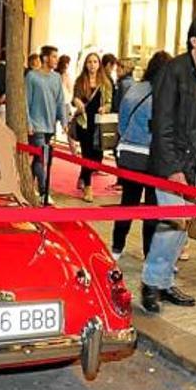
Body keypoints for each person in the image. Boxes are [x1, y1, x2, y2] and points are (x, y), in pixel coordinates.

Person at [141, 12, 196, 314]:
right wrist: (174, 169)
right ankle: (151, 283)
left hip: (195, 164)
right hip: (172, 166)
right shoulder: (173, 71)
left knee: (182, 228)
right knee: (172, 226)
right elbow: (162, 125)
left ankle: (163, 280)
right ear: (194, 41)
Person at [111, 51, 171, 260]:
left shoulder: (134, 89)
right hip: (152, 157)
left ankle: (116, 249)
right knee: (152, 208)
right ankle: (149, 253)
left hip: (129, 154)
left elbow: (122, 123)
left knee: (127, 203)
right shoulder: (164, 94)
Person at [26, 45, 68, 198]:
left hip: (50, 125)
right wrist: (28, 123)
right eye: (54, 56)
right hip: (36, 125)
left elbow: (60, 100)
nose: (56, 60)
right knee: (41, 158)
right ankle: (44, 191)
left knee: (40, 158)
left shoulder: (56, 78)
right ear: (45, 58)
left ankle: (28, 187)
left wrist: (63, 121)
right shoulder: (32, 76)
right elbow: (26, 101)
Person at [72, 52, 113, 202]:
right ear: (85, 64)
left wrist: (105, 108)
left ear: (99, 64)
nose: (92, 65)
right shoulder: (80, 80)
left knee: (95, 158)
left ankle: (83, 176)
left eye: (95, 62)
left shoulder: (105, 82)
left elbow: (109, 102)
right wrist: (77, 102)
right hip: (84, 122)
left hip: (98, 124)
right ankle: (88, 188)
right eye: (89, 62)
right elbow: (74, 97)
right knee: (86, 154)